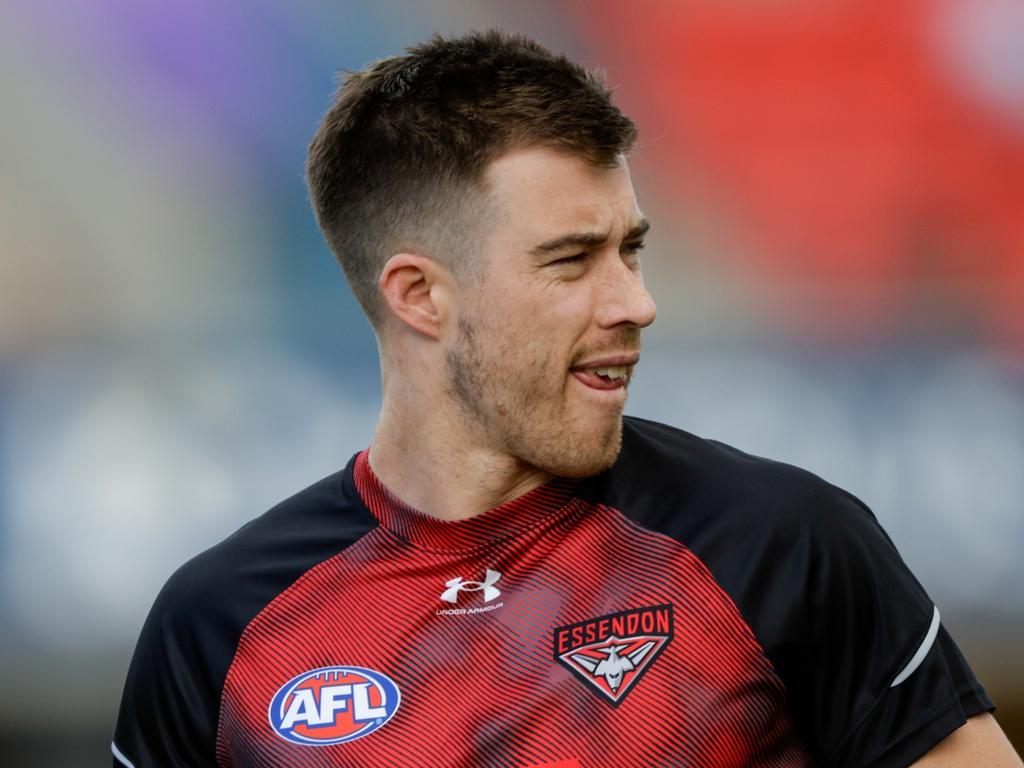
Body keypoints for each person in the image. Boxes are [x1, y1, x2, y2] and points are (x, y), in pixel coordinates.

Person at [112, 30, 1021, 768]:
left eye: (629, 249)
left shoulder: (779, 543)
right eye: (570, 260)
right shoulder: (219, 624)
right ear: (420, 295)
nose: (636, 302)